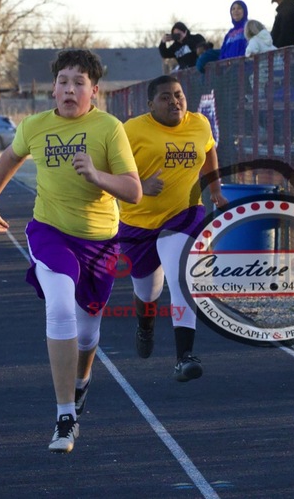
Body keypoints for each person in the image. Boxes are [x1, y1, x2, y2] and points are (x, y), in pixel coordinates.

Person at [0, 49, 141, 453]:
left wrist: (98, 176)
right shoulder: (34, 126)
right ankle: (65, 417)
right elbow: (10, 157)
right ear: (53, 89)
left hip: (100, 242)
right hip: (50, 232)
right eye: (63, 82)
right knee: (61, 307)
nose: (70, 89)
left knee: (88, 333)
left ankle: (81, 381)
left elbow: (134, 191)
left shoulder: (109, 128)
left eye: (79, 83)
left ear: (94, 91)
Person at [117, 74, 227, 382]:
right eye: (165, 97)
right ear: (150, 104)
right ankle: (145, 325)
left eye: (178, 95)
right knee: (147, 292)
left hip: (184, 214)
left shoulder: (199, 124)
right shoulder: (131, 130)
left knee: (181, 278)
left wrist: (215, 189)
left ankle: (184, 356)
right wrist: (140, 185)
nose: (174, 102)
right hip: (138, 222)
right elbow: (110, 170)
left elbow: (209, 149)